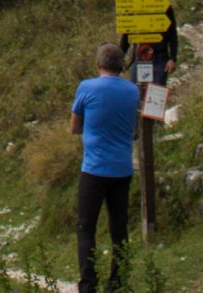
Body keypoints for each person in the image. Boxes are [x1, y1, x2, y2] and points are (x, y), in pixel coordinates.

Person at [70, 42, 140, 292]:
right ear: (121, 65)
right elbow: (133, 130)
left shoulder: (86, 87)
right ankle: (117, 282)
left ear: (98, 64)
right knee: (119, 226)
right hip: (122, 168)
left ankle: (88, 284)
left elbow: (74, 126)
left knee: (86, 226)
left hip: (94, 168)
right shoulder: (132, 90)